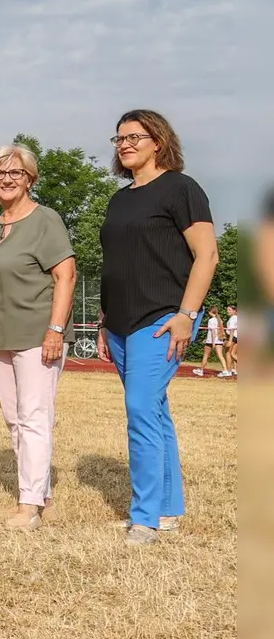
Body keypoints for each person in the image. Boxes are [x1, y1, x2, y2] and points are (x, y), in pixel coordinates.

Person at [96, 109, 217, 546]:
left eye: (134, 136)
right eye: (119, 138)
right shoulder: (120, 198)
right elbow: (119, 263)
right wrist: (105, 320)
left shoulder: (182, 189)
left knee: (141, 410)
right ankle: (166, 510)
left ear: (158, 141)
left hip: (164, 317)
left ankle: (143, 517)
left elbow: (207, 256)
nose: (125, 144)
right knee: (155, 411)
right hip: (121, 322)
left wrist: (186, 314)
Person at [0, 144, 76, 531]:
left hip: (36, 334)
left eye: (16, 173)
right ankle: (41, 495)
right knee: (15, 420)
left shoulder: (46, 219)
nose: (7, 179)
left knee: (35, 417)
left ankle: (28, 504)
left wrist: (56, 330)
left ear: (31, 179)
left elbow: (66, 276)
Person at [194, 308, 225, 377]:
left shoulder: (211, 320)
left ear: (211, 312)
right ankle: (225, 370)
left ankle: (201, 370)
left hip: (212, 340)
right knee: (220, 356)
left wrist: (213, 342)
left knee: (206, 355)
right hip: (219, 340)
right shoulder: (219, 320)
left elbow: (213, 331)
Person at [224, 306, 238, 378]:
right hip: (236, 337)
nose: (228, 311)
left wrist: (229, 341)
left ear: (234, 311)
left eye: (229, 310)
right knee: (233, 353)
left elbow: (232, 330)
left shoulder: (233, 319)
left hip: (232, 337)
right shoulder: (236, 318)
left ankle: (228, 371)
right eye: (227, 310)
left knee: (228, 353)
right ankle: (235, 370)